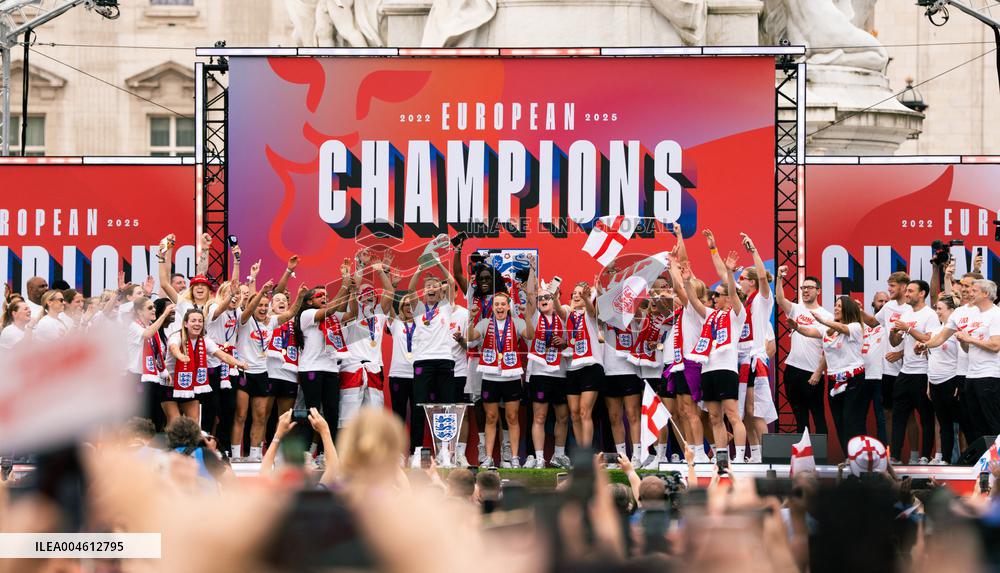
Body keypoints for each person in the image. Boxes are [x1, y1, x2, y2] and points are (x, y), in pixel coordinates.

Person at [683, 230, 747, 462]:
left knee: (732, 414)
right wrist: (688, 282)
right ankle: (722, 456)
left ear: (728, 298)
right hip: (708, 369)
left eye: (718, 295)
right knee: (714, 418)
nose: (714, 298)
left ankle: (739, 457)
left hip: (726, 370)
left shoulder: (736, 315)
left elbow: (732, 293)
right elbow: (694, 302)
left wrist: (729, 273)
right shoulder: (711, 315)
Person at [468, 291, 534, 468]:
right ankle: (489, 457)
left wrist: (527, 316)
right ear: (493, 307)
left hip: (511, 376)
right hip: (490, 376)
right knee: (491, 417)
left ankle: (513, 457)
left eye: (503, 304)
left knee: (512, 417)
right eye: (496, 304)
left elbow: (529, 335)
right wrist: (469, 318)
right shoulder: (484, 323)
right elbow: (470, 337)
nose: (499, 307)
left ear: (508, 306)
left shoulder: (516, 322)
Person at [790, 296, 865, 449]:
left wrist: (822, 320)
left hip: (853, 379)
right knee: (839, 421)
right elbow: (809, 331)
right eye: (835, 305)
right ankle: (848, 457)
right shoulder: (827, 330)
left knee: (850, 418)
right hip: (833, 381)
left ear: (848, 309)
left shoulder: (855, 327)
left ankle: (858, 457)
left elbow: (843, 328)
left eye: (839, 306)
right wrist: (797, 327)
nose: (836, 308)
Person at [407, 259, 458, 461]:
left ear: (440, 291)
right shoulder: (418, 308)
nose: (431, 288)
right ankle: (417, 451)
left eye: (435, 286)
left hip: (445, 360)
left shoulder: (446, 306)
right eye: (428, 286)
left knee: (446, 407)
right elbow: (410, 289)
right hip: (423, 362)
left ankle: (445, 451)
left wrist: (438, 263)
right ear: (424, 291)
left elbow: (452, 283)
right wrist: (420, 269)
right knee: (419, 407)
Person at [664, 242, 710, 465]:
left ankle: (700, 452)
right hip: (680, 363)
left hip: (692, 364)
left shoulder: (694, 309)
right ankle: (690, 451)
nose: (676, 293)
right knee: (682, 411)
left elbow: (680, 287)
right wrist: (674, 265)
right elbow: (678, 287)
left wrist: (673, 265)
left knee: (691, 412)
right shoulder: (684, 311)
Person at [862, 271, 915, 462]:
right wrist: (858, 310)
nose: (889, 289)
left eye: (892, 286)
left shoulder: (911, 308)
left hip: (908, 367)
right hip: (888, 369)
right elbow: (873, 322)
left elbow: (921, 337)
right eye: (888, 285)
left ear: (902, 286)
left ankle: (916, 456)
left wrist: (901, 353)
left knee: (909, 415)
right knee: (888, 413)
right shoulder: (889, 307)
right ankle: (892, 454)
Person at [734, 232, 777, 463]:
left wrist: (754, 252)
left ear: (751, 281)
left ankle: (767, 456)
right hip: (744, 360)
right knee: (747, 412)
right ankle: (757, 453)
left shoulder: (762, 300)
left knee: (758, 410)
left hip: (756, 360)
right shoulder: (745, 303)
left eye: (742, 278)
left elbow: (763, 278)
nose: (740, 281)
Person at [295, 281, 351, 453]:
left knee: (332, 412)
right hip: (311, 369)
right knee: (312, 412)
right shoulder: (307, 315)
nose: (325, 298)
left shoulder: (332, 319)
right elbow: (330, 309)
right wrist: (344, 284)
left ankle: (329, 453)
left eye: (326, 296)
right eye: (320, 296)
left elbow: (353, 313)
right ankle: (304, 453)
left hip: (331, 369)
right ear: (310, 301)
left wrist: (351, 288)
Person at [339, 260, 394, 432]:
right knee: (348, 417)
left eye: (371, 293)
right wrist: (359, 270)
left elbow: (390, 291)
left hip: (373, 369)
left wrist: (380, 272)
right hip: (351, 367)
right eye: (364, 293)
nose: (367, 295)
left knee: (374, 417)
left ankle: (372, 455)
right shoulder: (352, 312)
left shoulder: (379, 314)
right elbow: (353, 298)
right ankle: (343, 454)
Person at [888, 280, 939, 464]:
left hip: (923, 372)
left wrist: (908, 328)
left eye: (910, 291)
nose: (906, 293)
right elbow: (895, 343)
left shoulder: (930, 314)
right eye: (906, 290)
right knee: (899, 416)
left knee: (926, 417)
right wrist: (894, 331)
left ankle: (924, 456)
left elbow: (929, 339)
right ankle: (894, 456)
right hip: (905, 371)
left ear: (922, 293)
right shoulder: (906, 313)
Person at [775, 268, 831, 435]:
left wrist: (818, 372)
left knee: (818, 416)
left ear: (818, 291)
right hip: (792, 370)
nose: (806, 291)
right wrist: (779, 277)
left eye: (810, 287)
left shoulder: (826, 316)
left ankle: (822, 457)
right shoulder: (796, 309)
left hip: (812, 372)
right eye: (803, 288)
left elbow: (829, 349)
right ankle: (803, 456)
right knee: (800, 417)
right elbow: (780, 299)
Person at [525, 278, 572, 469]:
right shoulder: (535, 316)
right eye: (540, 298)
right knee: (539, 417)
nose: (543, 300)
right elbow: (529, 298)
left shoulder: (564, 316)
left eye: (548, 297)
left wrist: (565, 342)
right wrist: (532, 272)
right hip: (539, 374)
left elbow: (574, 340)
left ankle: (559, 456)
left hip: (560, 374)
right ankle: (539, 458)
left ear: (555, 298)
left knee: (562, 417)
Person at [167, 308, 247, 420]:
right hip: (168, 384)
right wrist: (180, 356)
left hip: (190, 385)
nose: (197, 324)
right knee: (174, 420)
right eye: (193, 321)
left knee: (194, 422)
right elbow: (173, 347)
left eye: (200, 321)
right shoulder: (176, 336)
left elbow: (223, 356)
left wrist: (239, 363)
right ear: (185, 323)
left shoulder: (205, 340)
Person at [234, 280, 279, 462]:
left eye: (265, 306)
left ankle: (254, 455)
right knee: (241, 415)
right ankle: (235, 455)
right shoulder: (244, 320)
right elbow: (249, 308)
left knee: (260, 416)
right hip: (244, 371)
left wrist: (299, 297)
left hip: (262, 373)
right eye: (259, 305)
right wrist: (261, 292)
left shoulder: (270, 322)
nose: (262, 308)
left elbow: (290, 313)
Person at [954, 279, 1000, 442]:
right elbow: (968, 349)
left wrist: (970, 339)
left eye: (974, 290)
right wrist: (964, 342)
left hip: (989, 376)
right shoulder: (975, 315)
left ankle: (997, 463)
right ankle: (982, 462)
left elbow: (995, 346)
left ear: (986, 294)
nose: (969, 293)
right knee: (974, 423)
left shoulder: (996, 314)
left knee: (992, 422)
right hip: (971, 375)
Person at [564, 281, 603, 452]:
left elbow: (593, 311)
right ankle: (581, 456)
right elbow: (558, 308)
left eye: (581, 293)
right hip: (572, 368)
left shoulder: (590, 315)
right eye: (574, 293)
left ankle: (588, 456)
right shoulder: (568, 315)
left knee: (584, 412)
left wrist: (588, 299)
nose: (577, 295)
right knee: (574, 414)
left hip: (591, 366)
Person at [126, 296, 174, 422]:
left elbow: (156, 352)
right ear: (139, 312)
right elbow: (147, 333)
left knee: (153, 416)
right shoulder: (132, 326)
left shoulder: (152, 326)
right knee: (139, 417)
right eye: (150, 308)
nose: (154, 310)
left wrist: (163, 370)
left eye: (154, 307)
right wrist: (163, 315)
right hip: (136, 376)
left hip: (151, 376)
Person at [924, 296, 960, 464]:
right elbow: (931, 360)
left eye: (940, 309)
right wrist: (929, 385)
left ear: (951, 311)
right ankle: (946, 459)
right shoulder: (936, 331)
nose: (937, 312)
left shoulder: (955, 330)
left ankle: (964, 460)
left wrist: (959, 383)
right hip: (935, 382)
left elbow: (962, 357)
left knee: (961, 424)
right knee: (944, 424)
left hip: (951, 380)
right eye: (936, 309)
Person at [865, 292, 890, 443]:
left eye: (887, 301)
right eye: (880, 301)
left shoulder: (890, 324)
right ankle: (861, 451)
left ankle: (884, 454)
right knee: (859, 416)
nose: (884, 304)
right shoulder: (862, 324)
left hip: (881, 376)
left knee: (882, 418)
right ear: (873, 303)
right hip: (862, 376)